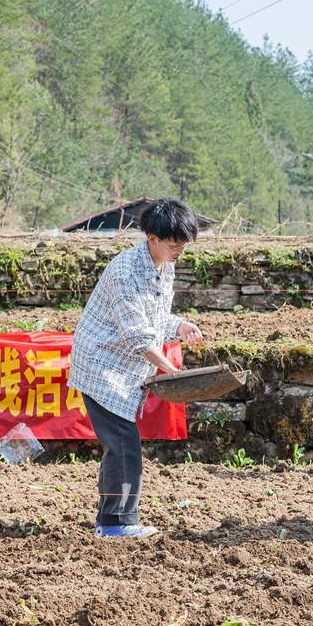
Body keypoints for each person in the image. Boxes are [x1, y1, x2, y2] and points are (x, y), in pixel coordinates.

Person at [67, 199, 203, 539]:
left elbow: (153, 320)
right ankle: (115, 523)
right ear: (152, 238)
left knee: (122, 442)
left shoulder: (163, 267)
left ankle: (112, 519)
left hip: (126, 369)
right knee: (124, 443)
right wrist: (170, 370)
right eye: (174, 246)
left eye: (182, 248)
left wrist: (180, 326)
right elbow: (136, 335)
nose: (178, 253)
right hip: (103, 364)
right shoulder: (125, 271)